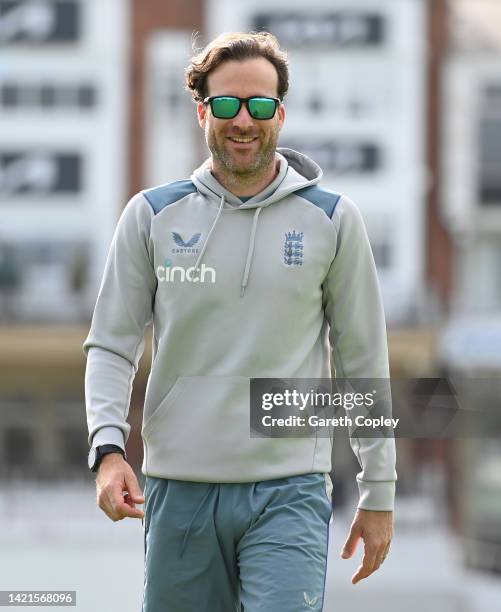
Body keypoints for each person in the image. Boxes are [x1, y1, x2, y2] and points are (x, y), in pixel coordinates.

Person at [83, 31, 397, 612]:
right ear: (202, 109)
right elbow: (111, 345)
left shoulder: (333, 220)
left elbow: (363, 362)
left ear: (281, 111)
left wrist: (379, 490)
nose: (243, 121)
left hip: (291, 491)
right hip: (178, 491)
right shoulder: (151, 215)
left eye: (259, 104)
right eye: (226, 104)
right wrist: (107, 450)